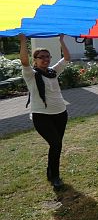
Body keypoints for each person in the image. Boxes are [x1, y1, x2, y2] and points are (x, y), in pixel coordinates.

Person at [19, 34, 71, 189]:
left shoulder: (53, 72)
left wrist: (61, 41)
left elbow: (67, 58)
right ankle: (55, 177)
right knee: (55, 144)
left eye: (47, 56)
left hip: (61, 113)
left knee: (57, 145)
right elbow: (23, 61)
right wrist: (23, 41)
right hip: (41, 116)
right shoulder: (31, 75)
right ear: (35, 60)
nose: (45, 59)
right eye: (41, 57)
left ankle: (51, 173)